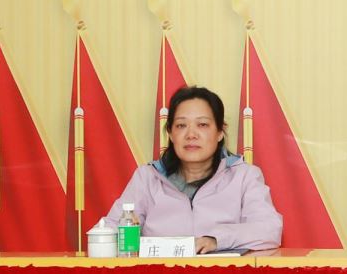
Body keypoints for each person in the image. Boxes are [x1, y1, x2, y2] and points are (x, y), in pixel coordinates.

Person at [100, 85, 282, 253]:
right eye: (181, 125)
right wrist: (100, 237)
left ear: (220, 132)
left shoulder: (244, 176)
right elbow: (112, 228)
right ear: (170, 133)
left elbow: (269, 229)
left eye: (202, 125)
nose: (191, 135)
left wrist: (216, 240)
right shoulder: (147, 177)